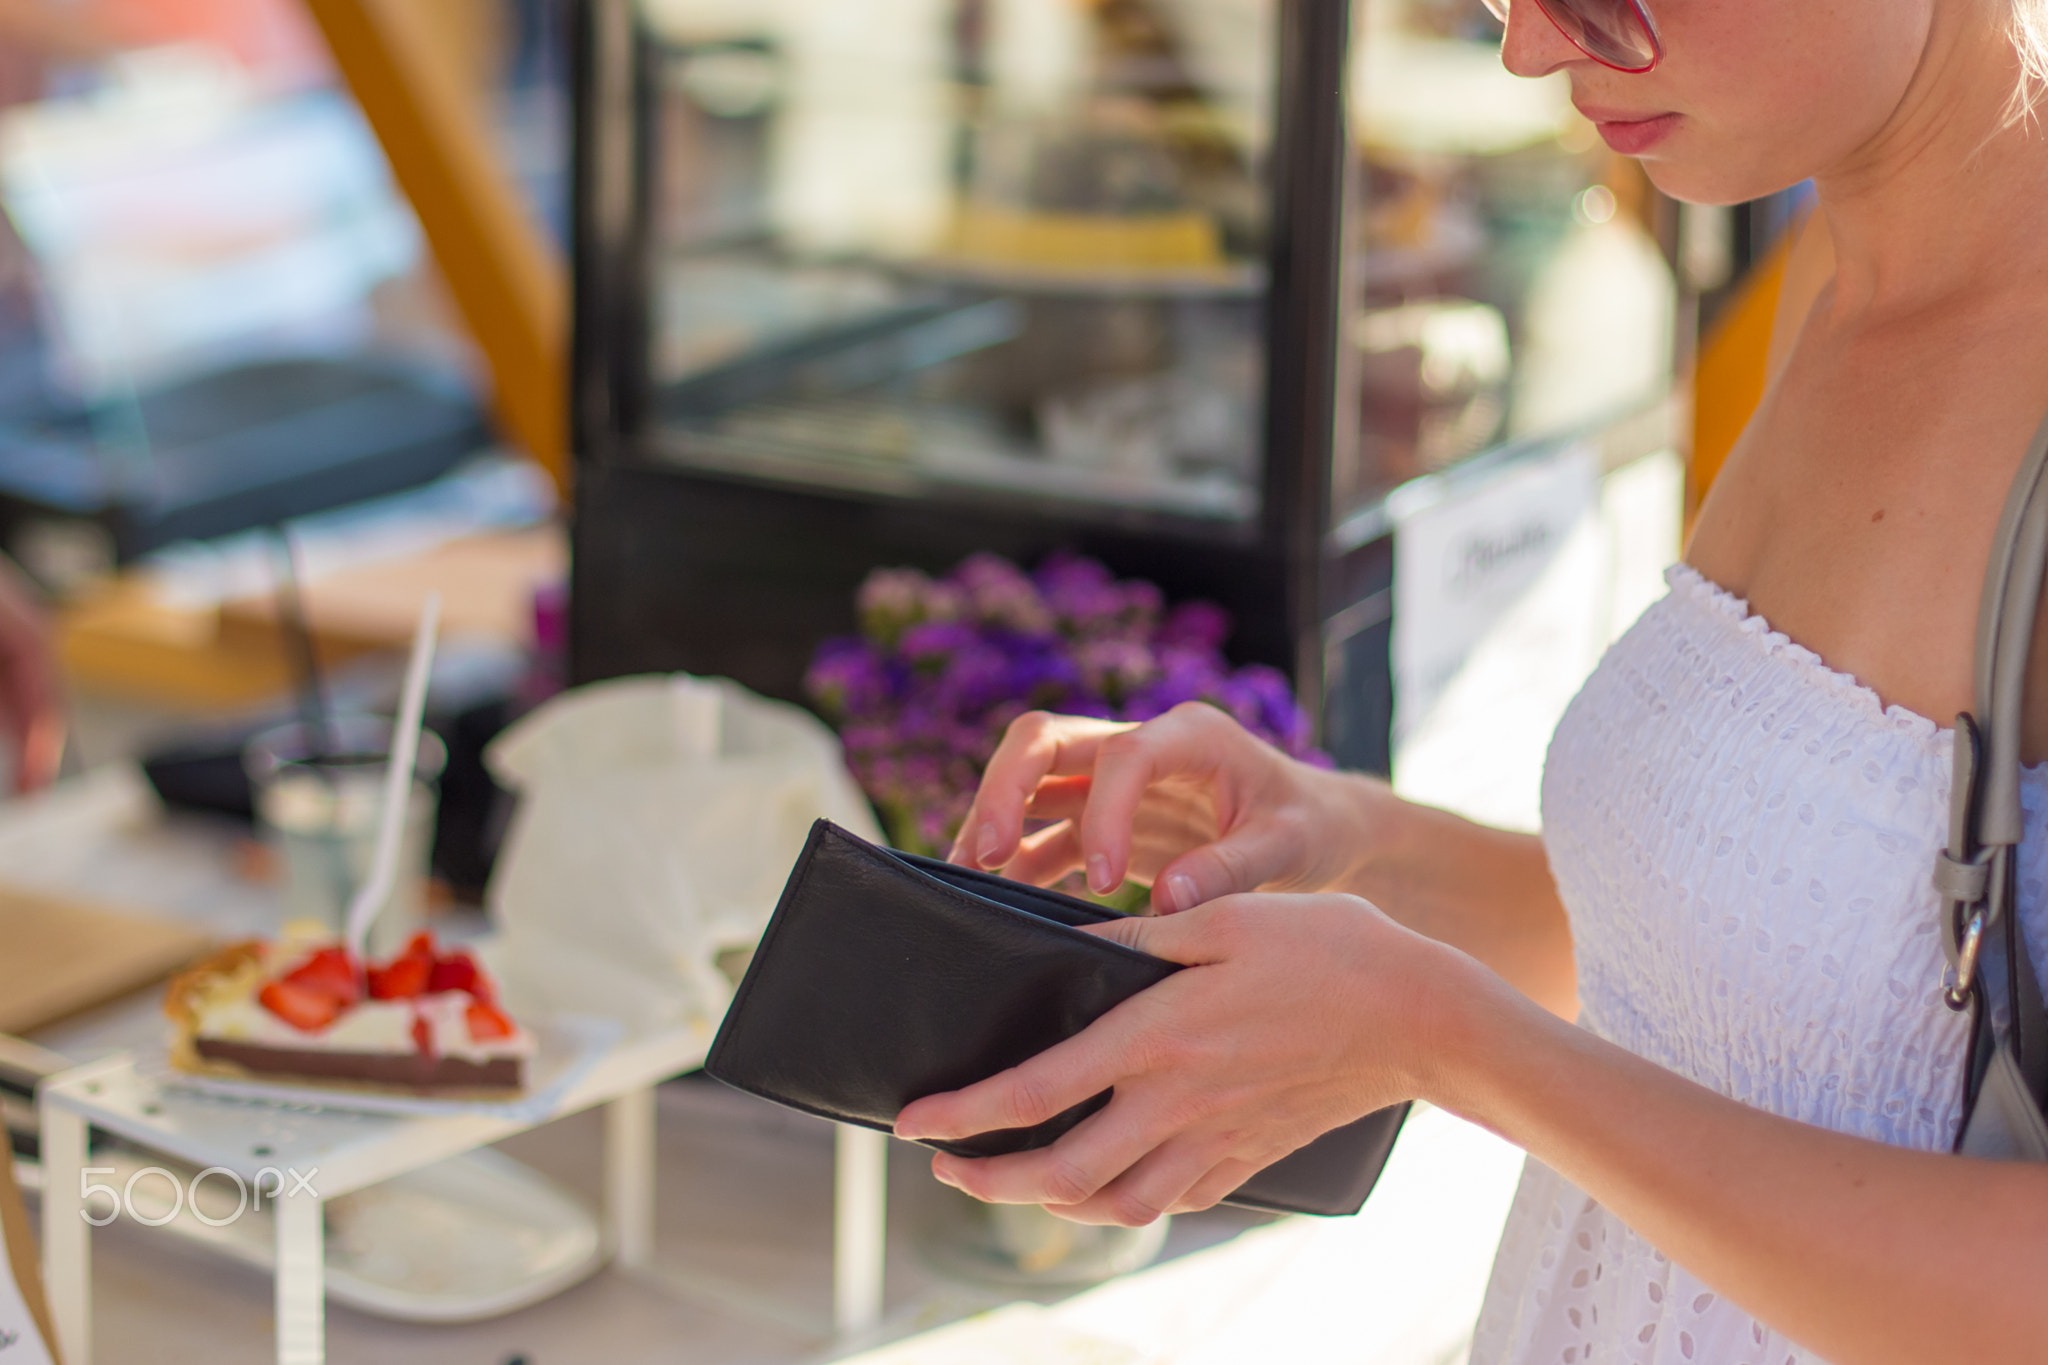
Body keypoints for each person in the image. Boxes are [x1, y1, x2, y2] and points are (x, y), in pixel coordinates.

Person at [891, 1, 2048, 1362]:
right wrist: (1348, 842)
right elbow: (1739, 980)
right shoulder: (1826, 277)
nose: (1530, 52)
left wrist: (1441, 1038)